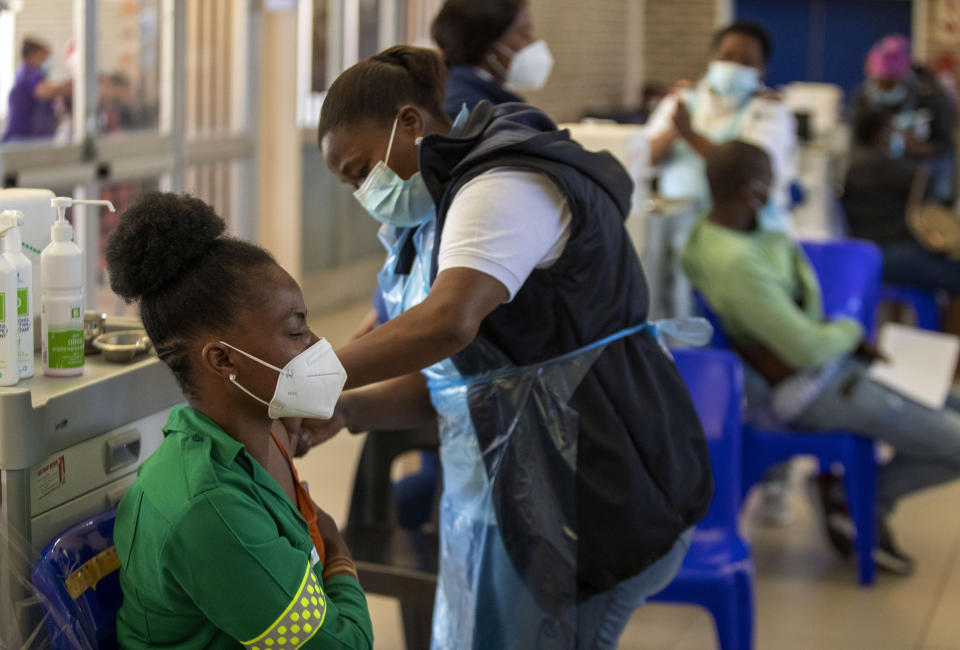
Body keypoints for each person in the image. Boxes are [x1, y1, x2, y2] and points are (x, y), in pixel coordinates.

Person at [311, 46, 712, 648]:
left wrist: (302, 377)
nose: (363, 190)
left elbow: (449, 325)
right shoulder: (433, 212)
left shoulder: (504, 184)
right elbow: (460, 382)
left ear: (411, 123)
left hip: (590, 488)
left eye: (360, 169)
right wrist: (348, 410)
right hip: (513, 495)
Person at [105, 193, 373, 649]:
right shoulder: (207, 509)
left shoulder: (269, 429)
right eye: (295, 331)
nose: (317, 345)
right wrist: (340, 557)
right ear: (224, 359)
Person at [683, 140, 960, 576]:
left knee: (952, 403)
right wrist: (850, 333)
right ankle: (858, 501)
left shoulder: (733, 231)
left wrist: (840, 339)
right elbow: (804, 348)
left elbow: (801, 315)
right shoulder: (733, 263)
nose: (777, 196)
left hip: (832, 369)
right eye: (771, 186)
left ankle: (851, 497)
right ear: (752, 192)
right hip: (813, 389)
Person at [646, 21, 797, 233]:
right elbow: (644, 157)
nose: (734, 66)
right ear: (711, 59)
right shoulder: (683, 99)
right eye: (726, 57)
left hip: (744, 235)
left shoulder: (769, 111)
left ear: (762, 70)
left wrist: (689, 134)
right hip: (681, 228)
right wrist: (674, 130)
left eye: (746, 61)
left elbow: (746, 171)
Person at [851, 35, 956, 204]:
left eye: (889, 83)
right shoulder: (865, 98)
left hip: (921, 183)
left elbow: (944, 146)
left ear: (902, 77)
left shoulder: (931, 98)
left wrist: (921, 148)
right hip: (879, 184)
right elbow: (856, 142)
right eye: (879, 82)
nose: (882, 88)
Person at [431, 0, 553, 120]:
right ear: (488, 42)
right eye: (524, 33)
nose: (533, 42)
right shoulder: (469, 109)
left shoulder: (469, 93)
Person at [2, 38, 71, 143]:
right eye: (44, 56)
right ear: (32, 56)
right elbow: (45, 91)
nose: (47, 60)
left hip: (32, 140)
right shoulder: (29, 74)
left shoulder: (32, 75)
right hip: (22, 141)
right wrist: (74, 84)